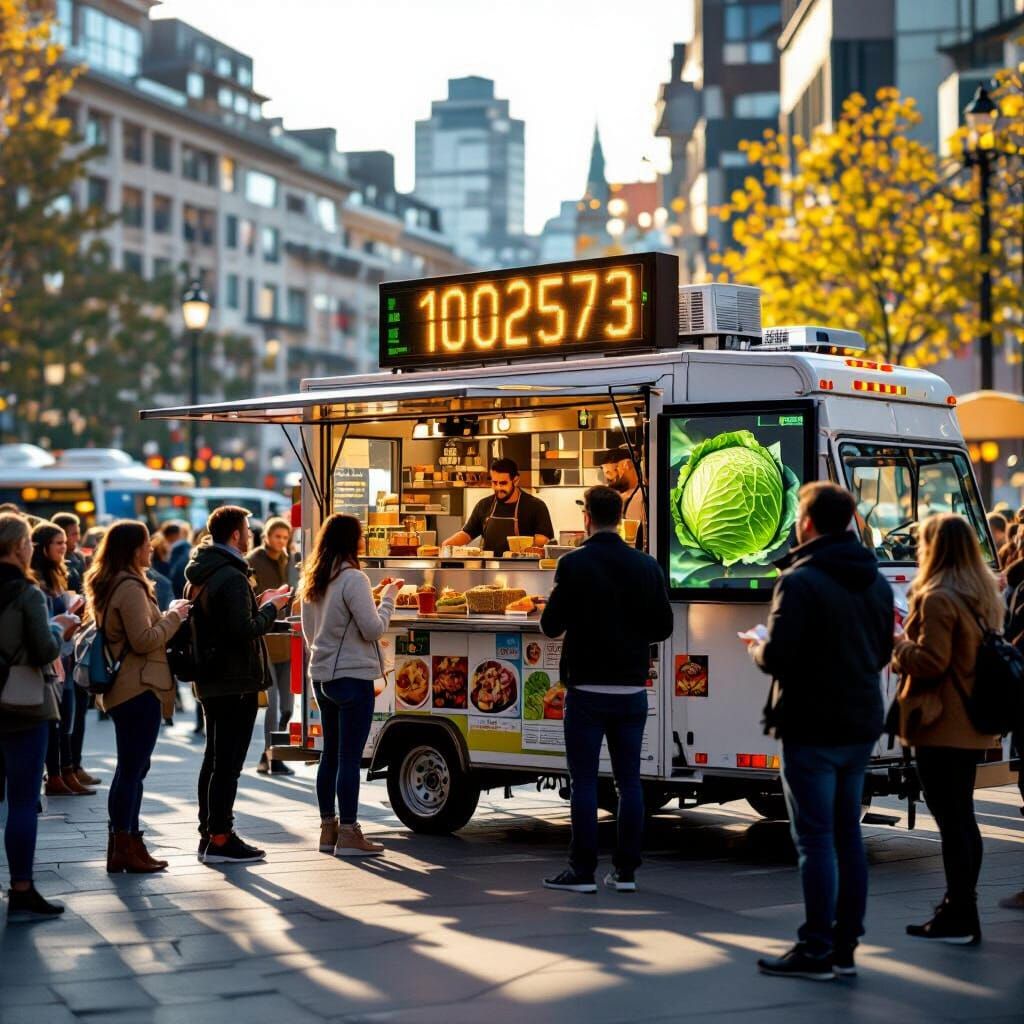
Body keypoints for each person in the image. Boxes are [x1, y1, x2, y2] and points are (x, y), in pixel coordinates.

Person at [747, 482, 893, 980]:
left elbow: (780, 656)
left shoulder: (800, 581)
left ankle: (815, 948)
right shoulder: (874, 580)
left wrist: (756, 645)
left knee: (814, 840)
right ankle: (845, 947)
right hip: (860, 721)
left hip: (810, 724)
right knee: (847, 835)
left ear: (805, 522)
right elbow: (882, 652)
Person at [539, 485, 672, 894]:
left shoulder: (574, 564)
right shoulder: (647, 565)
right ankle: (626, 871)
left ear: (586, 519)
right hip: (631, 689)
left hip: (586, 689)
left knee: (583, 782)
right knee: (629, 783)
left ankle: (582, 872)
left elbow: (550, 626)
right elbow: (663, 627)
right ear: (620, 518)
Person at [892, 513, 1003, 943]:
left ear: (934, 548)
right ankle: (960, 908)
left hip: (941, 724)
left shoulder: (938, 597)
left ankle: (959, 913)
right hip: (972, 723)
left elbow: (931, 662)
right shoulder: (981, 593)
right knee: (963, 818)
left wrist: (898, 643)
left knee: (951, 821)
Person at [184, 506, 291, 864]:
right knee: (227, 763)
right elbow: (242, 630)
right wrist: (272, 608)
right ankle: (220, 837)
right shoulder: (230, 575)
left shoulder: (204, 570)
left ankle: (209, 833)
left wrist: (259, 604)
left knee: (213, 759)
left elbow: (227, 620)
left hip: (213, 677)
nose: (250, 535)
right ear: (235, 535)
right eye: (247, 529)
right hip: (234, 679)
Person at [85, 521, 190, 873]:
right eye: (146, 543)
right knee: (132, 770)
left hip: (132, 686)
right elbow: (144, 640)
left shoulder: (119, 582)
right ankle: (124, 845)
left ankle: (125, 845)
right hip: (137, 687)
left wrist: (166, 613)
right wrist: (173, 618)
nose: (152, 548)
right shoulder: (129, 587)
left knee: (132, 768)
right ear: (133, 549)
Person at [300, 514, 402, 856]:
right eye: (360, 535)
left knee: (330, 755)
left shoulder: (314, 579)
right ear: (351, 540)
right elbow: (373, 630)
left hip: (322, 676)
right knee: (348, 757)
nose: (364, 539)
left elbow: (312, 632)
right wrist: (388, 598)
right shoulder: (353, 578)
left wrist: (370, 595)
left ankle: (328, 829)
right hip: (352, 677)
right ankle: (349, 833)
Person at [0, 512, 78, 919]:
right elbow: (44, 650)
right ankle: (22, 888)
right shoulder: (25, 592)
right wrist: (58, 626)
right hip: (22, 703)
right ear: (20, 547)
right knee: (23, 800)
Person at [30, 521, 89, 797]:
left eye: (65, 542)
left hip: (64, 656)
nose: (64, 548)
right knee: (56, 718)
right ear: (42, 548)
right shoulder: (36, 581)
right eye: (59, 543)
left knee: (68, 716)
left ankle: (66, 770)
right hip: (50, 657)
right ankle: (55, 773)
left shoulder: (61, 573)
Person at [51, 511, 101, 785]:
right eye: (69, 535)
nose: (74, 539)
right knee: (65, 711)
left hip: (80, 639)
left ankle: (74, 764)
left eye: (74, 533)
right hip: (62, 646)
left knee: (78, 709)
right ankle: (62, 768)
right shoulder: (52, 569)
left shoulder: (79, 560)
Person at [247, 516, 295, 775]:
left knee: (288, 706)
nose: (281, 541)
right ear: (266, 536)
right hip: (265, 640)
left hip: (286, 641)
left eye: (285, 537)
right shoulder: (252, 562)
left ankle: (272, 753)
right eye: (277, 536)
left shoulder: (290, 560)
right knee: (273, 704)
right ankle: (271, 755)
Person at [442, 458, 554, 556]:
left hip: (522, 569)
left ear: (515, 480)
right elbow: (466, 534)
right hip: (490, 569)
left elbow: (542, 539)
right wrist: (446, 545)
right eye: (494, 483)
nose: (498, 487)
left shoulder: (535, 506)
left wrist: (523, 550)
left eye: (503, 483)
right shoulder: (484, 505)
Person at [598, 447, 646, 547]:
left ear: (627, 464)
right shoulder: (615, 497)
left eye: (610, 473)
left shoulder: (644, 495)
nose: (608, 479)